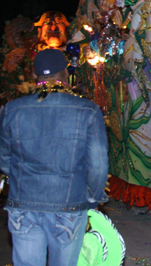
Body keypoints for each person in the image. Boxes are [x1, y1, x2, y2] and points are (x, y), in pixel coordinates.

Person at [0, 49, 109, 266]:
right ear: (66, 74)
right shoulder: (87, 110)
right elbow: (98, 165)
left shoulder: (12, 109)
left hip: (24, 203)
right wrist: (93, 197)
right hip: (68, 205)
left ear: (34, 76)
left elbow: (4, 160)